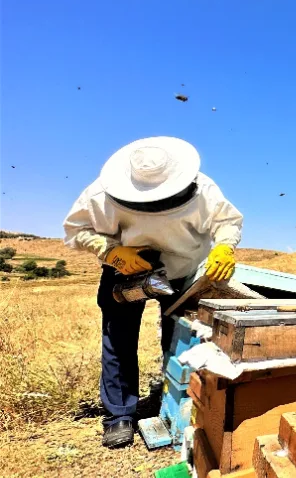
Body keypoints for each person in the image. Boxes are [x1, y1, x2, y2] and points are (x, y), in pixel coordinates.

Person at [63, 136, 244, 448]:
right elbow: (75, 230)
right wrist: (110, 251)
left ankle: (178, 404)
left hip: (182, 270)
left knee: (181, 339)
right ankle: (119, 415)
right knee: (118, 338)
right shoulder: (100, 193)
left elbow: (227, 221)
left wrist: (225, 247)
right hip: (125, 270)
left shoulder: (203, 190)